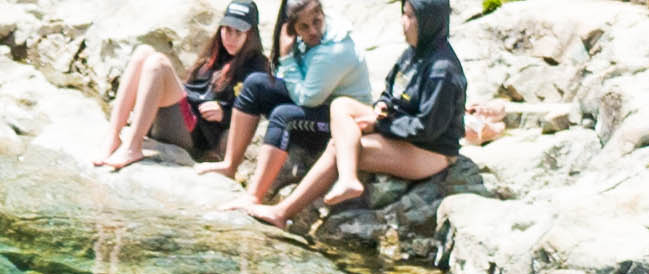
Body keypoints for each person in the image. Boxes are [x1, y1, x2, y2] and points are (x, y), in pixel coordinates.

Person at [254, 0, 468, 232]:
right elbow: (390, 88)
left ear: (429, 21)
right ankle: (348, 176)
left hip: (431, 150)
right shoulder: (414, 53)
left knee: (342, 147)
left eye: (410, 17)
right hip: (400, 126)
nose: (403, 23)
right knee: (341, 105)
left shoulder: (442, 71)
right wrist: (382, 107)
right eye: (403, 14)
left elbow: (427, 128)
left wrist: (381, 125)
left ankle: (283, 212)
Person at [98, 0, 262, 170]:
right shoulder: (216, 53)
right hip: (179, 115)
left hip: (192, 133)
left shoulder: (256, 68)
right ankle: (113, 137)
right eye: (227, 30)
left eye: (238, 32)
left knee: (158, 63)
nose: (231, 38)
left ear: (250, 34)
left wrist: (224, 114)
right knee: (143, 52)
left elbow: (252, 114)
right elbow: (191, 87)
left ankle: (133, 146)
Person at [237, 0, 376, 199]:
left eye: (316, 22)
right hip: (319, 101)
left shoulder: (335, 50)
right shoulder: (304, 41)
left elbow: (306, 99)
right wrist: (287, 56)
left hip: (341, 121)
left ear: (323, 14)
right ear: (292, 29)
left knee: (284, 116)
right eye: (304, 27)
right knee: (255, 84)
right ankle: (229, 165)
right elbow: (288, 79)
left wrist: (287, 57)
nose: (312, 31)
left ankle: (253, 196)